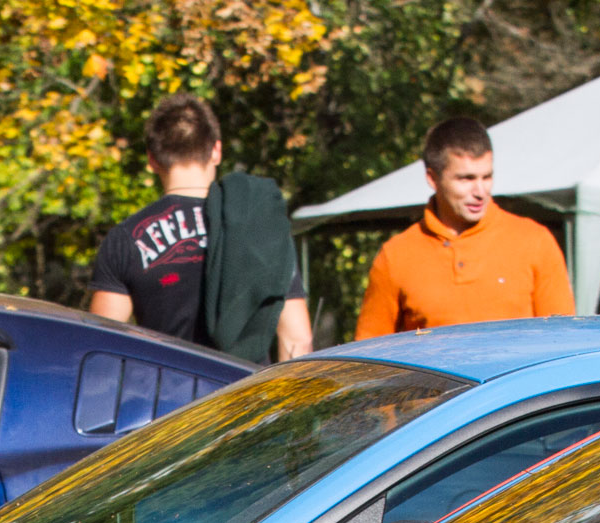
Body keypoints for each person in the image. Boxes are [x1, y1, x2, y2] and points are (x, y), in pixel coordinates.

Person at [88, 95, 312, 363]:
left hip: (168, 389)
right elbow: (298, 340)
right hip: (246, 386)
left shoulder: (126, 239)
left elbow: (100, 347)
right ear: (216, 150)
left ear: (152, 160)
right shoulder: (261, 229)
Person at [354, 117, 571, 337]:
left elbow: (564, 340)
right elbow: (368, 352)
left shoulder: (535, 241)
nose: (480, 192)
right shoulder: (395, 256)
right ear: (432, 178)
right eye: (466, 179)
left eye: (487, 177)